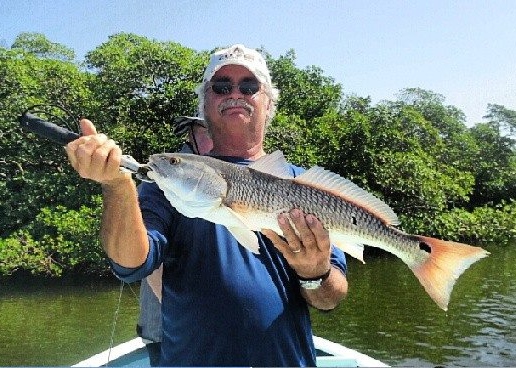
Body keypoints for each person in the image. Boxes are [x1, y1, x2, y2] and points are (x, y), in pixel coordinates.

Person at [66, 44, 348, 367]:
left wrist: (315, 274)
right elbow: (130, 263)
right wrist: (116, 185)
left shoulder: (306, 189)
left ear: (268, 103)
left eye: (249, 86)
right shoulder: (168, 184)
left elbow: (332, 296)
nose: (235, 94)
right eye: (221, 86)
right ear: (205, 103)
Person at [136, 116, 213, 366]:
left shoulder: (216, 174)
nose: (217, 135)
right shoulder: (170, 176)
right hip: (170, 329)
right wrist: (186, 318)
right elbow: (151, 258)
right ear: (190, 133)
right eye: (208, 130)